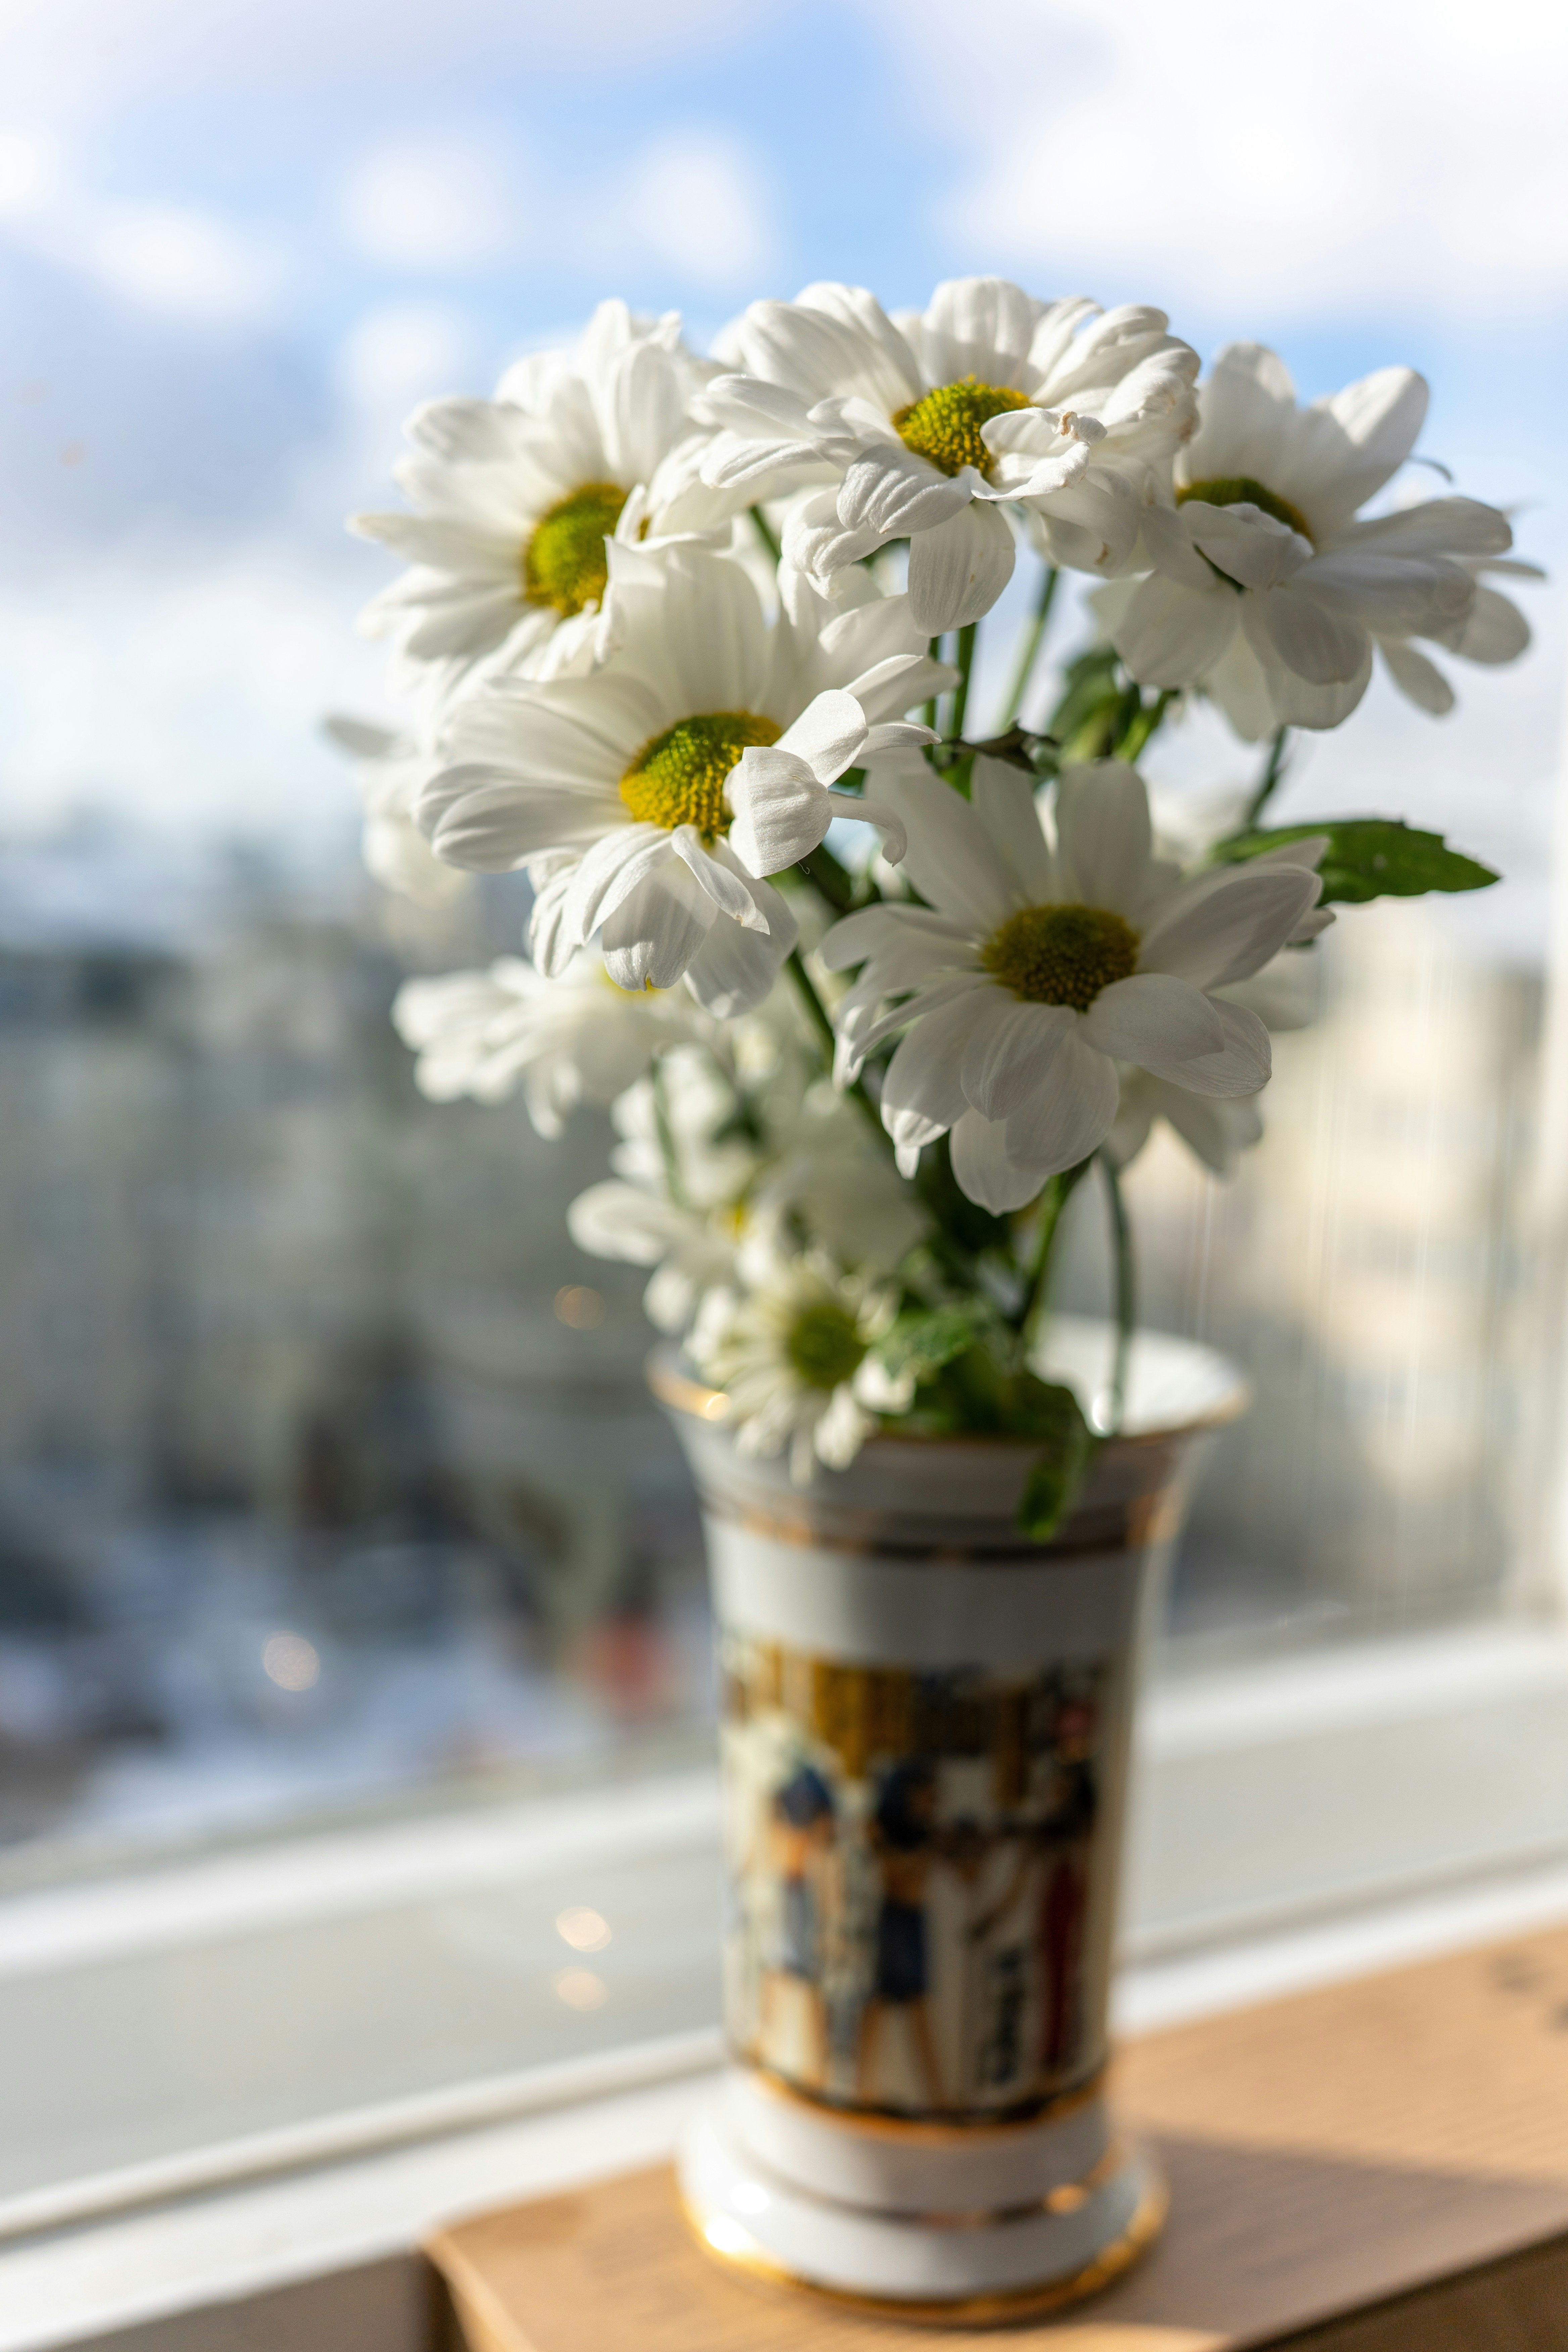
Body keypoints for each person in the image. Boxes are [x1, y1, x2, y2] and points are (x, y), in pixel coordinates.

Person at [856, 1758, 945, 2109]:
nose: (929, 1802)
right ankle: (863, 2088)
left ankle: (935, 2096)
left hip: (911, 1921)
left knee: (909, 2009)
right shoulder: (891, 1834)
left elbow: (916, 1876)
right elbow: (899, 1878)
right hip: (896, 1922)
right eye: (924, 1795)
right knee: (887, 2006)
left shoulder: (918, 1834)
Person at [756, 1761, 836, 2087]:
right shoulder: (783, 1825)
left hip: (802, 1900)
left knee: (806, 1978)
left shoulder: (813, 1839)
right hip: (786, 1896)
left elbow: (827, 1878)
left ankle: (818, 2058)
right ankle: (769, 2042)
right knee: (778, 1972)